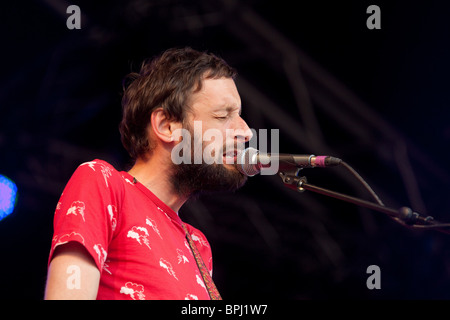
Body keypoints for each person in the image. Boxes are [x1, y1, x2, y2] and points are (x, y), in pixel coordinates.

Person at [44, 47, 253, 300]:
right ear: (166, 126)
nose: (246, 131)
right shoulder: (105, 183)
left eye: (239, 116)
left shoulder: (198, 245)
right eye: (223, 115)